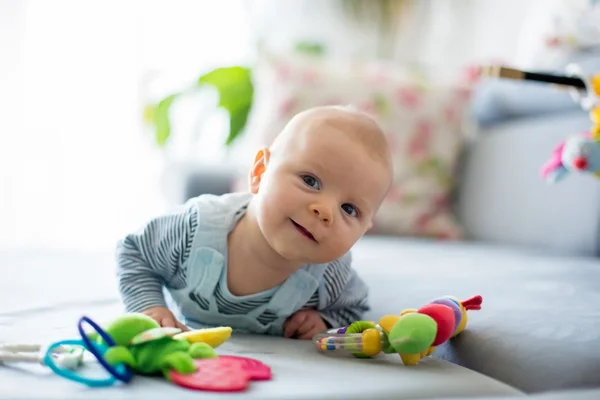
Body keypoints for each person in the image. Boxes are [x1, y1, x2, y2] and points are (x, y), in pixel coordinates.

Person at [115, 105, 393, 340]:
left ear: (364, 230)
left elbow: (355, 306)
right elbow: (135, 253)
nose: (325, 211)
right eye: (310, 181)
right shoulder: (193, 229)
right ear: (260, 171)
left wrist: (322, 320)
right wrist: (149, 306)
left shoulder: (330, 277)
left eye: (349, 209)